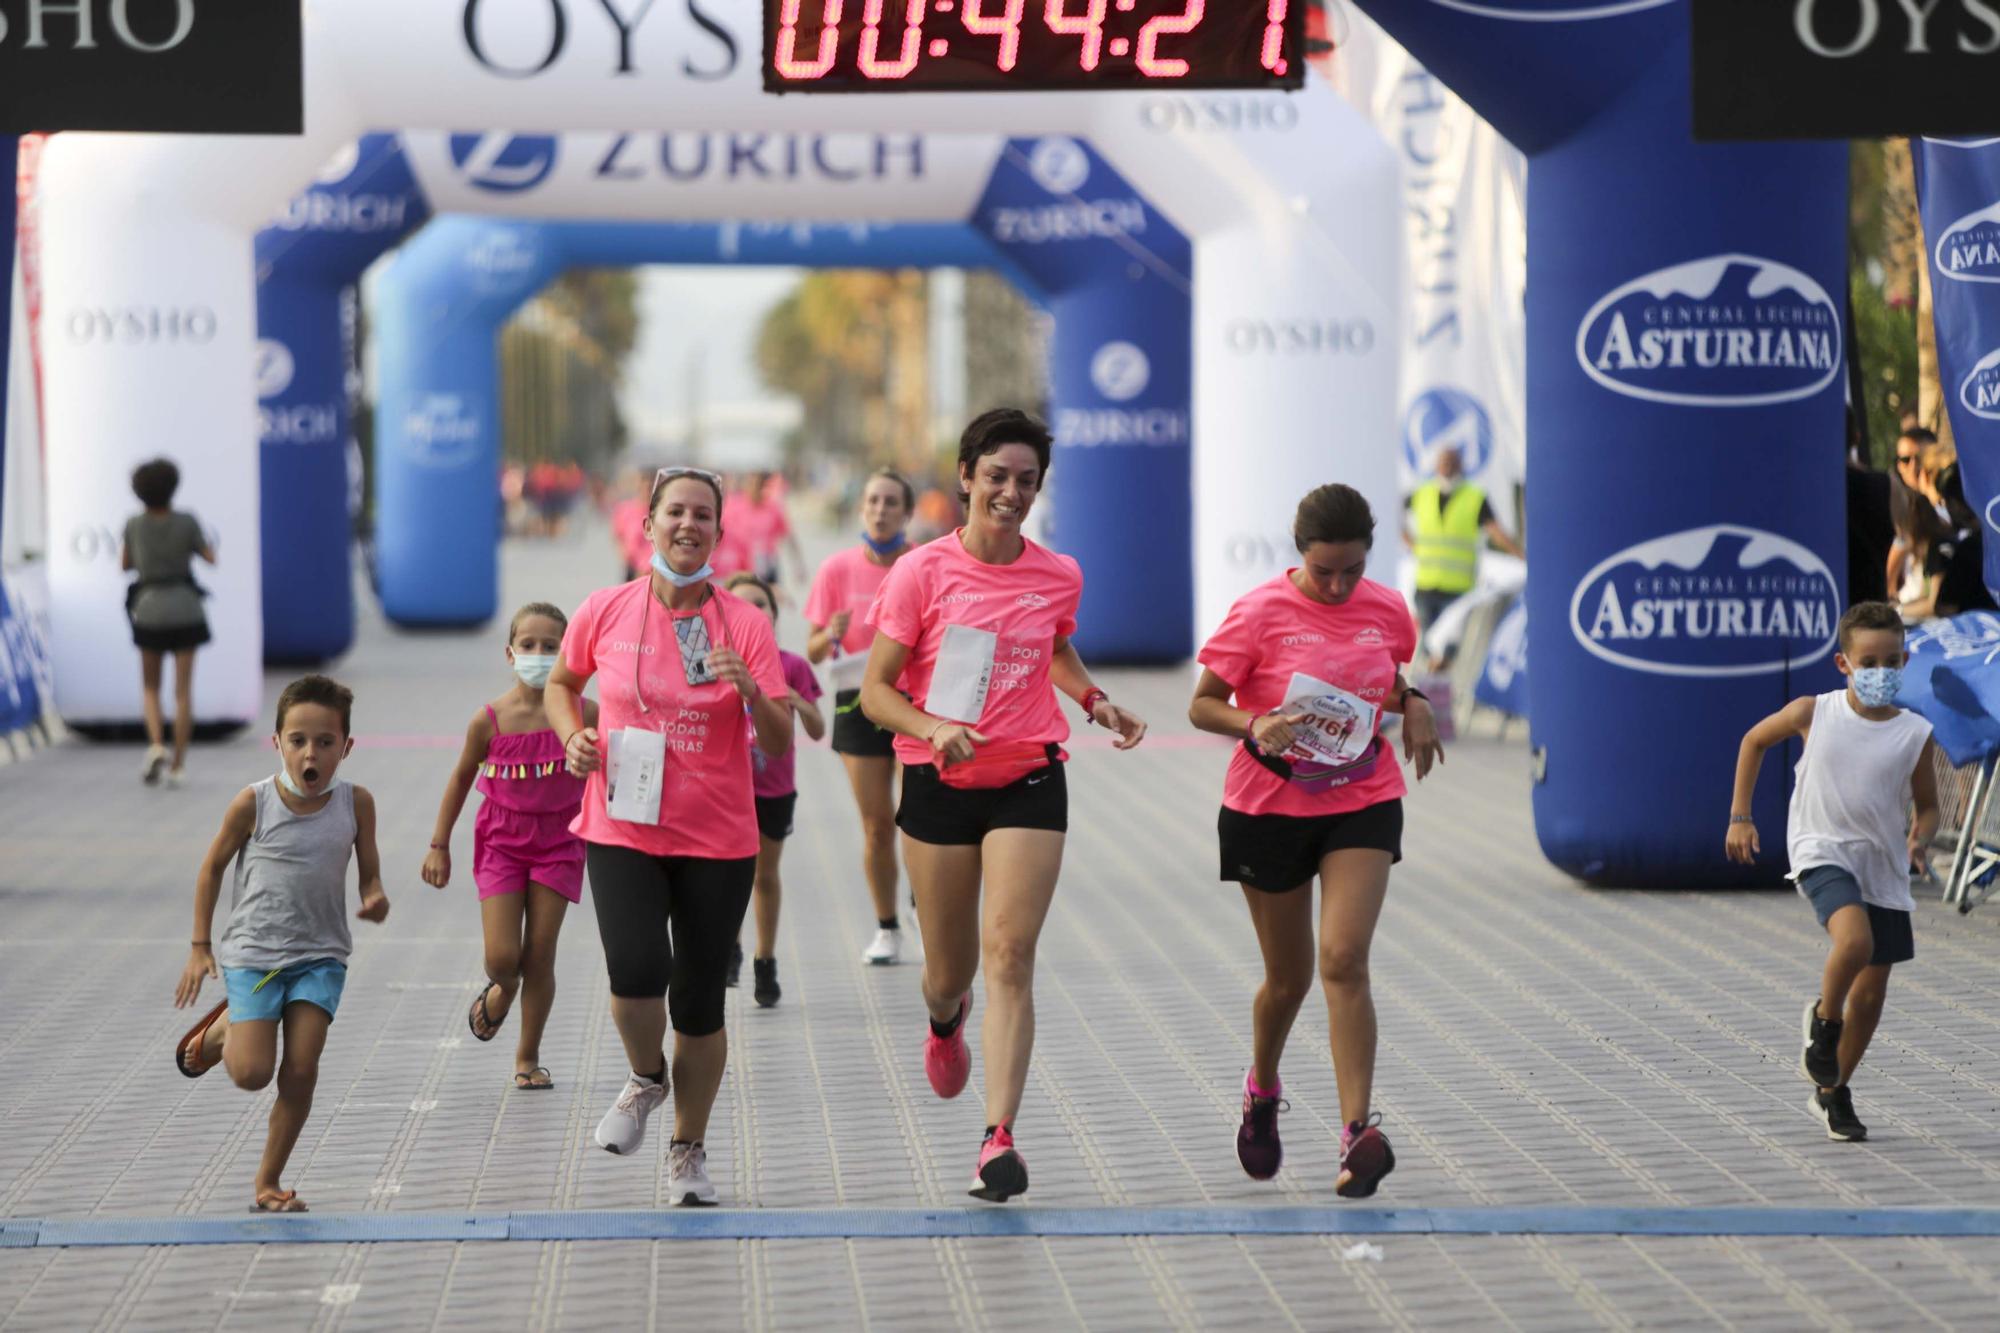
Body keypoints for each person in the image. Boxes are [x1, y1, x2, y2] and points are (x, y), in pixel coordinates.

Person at [860, 408, 1148, 1203]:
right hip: (939, 784)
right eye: (997, 477)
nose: (1011, 493)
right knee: (949, 973)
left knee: (1011, 956)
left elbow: (1053, 643)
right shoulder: (921, 572)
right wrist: (932, 725)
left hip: (1029, 777)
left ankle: (998, 1139)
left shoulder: (1059, 572)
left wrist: (1095, 700)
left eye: (1026, 481)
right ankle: (945, 1019)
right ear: (965, 477)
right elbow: (877, 692)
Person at [544, 466, 793, 1206]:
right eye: (675, 512)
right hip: (621, 818)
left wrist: (750, 687)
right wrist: (573, 738)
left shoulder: (743, 622)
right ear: (647, 523)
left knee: (698, 1002)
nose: (689, 525)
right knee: (634, 971)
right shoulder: (605, 608)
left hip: (717, 834)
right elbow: (562, 684)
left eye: (703, 516)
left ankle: (687, 1149)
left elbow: (777, 740)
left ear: (720, 531)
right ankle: (645, 1075)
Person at [1188, 484, 1444, 1199]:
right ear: (1300, 552)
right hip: (1267, 806)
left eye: (1352, 571)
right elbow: (1203, 703)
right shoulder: (1260, 612)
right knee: (1289, 978)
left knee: (1344, 958)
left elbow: (1382, 681)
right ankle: (1262, 1087)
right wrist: (1253, 722)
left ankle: (1357, 1131)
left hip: (1360, 798)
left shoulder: (1388, 609)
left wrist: (1415, 702)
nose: (1337, 586)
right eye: (1325, 570)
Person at [171, 675, 389, 1213]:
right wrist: (201, 944)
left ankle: (268, 1182)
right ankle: (225, 1028)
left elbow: (369, 876)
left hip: (320, 958)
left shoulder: (356, 804)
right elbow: (212, 867)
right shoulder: (254, 803)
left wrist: (375, 896)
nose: (310, 753)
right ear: (277, 743)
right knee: (251, 1074)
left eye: (324, 742)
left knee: (301, 1068)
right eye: (298, 741)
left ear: (346, 747)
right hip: (255, 956)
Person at [1725, 602, 1939, 1142]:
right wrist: (1741, 817)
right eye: (1869, 662)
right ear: (1843, 664)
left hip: (1883, 866)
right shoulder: (1812, 712)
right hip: (1822, 851)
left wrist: (1924, 836)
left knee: (1870, 995)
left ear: (1905, 661)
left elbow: (1929, 804)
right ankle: (1823, 1025)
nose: (1882, 673)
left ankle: (1832, 1088)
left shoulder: (1914, 733)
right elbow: (1752, 741)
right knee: (1854, 942)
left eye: (1892, 662)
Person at [420, 603, 593, 1090]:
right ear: (510, 653)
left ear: (569, 654)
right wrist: (439, 844)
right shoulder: (490, 720)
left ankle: (527, 1056)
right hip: (501, 841)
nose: (539, 654)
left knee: (540, 953)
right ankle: (504, 988)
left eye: (551, 647)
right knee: (502, 957)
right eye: (529, 645)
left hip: (561, 841)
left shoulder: (589, 713)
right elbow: (459, 779)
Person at [804, 468, 918, 965]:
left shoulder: (923, 564)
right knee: (876, 826)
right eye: (872, 500)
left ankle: (926, 907)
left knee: (920, 819)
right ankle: (887, 926)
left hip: (915, 704)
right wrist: (830, 632)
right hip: (856, 702)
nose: (880, 510)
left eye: (891, 502)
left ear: (907, 513)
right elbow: (811, 651)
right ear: (861, 508)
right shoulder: (836, 569)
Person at [723, 572, 825, 1007]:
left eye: (761, 604)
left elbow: (819, 731)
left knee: (765, 876)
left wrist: (798, 703)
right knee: (727, 878)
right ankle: (728, 947)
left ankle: (765, 961)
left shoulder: (793, 666)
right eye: (742, 604)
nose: (754, 611)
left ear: (774, 614)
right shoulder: (716, 666)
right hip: (726, 789)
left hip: (774, 790)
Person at [121, 458, 216, 787]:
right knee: (183, 691)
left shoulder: (134, 524)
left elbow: (125, 564)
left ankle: (156, 744)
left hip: (149, 608)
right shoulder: (187, 521)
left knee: (150, 687)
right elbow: (210, 557)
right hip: (187, 608)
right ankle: (178, 765)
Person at [1400, 444, 1522, 639]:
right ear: (1436, 466)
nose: (1447, 467)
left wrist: (1522, 556)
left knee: (1451, 648)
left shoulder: (1474, 497)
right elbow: (1395, 515)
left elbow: (1496, 533)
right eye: (1443, 462)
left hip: (1459, 591)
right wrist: (1411, 544)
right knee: (1426, 645)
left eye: (1451, 462)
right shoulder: (1421, 494)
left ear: (1461, 465)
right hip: (1426, 585)